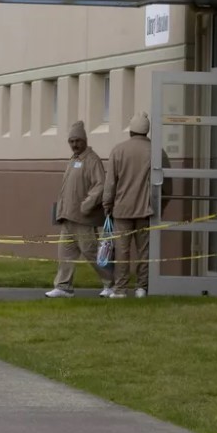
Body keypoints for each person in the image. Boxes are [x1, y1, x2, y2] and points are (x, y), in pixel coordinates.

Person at [45, 121, 113, 299]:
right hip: (68, 217)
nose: (74, 145)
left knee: (91, 252)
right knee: (65, 253)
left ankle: (111, 284)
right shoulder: (73, 160)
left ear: (84, 140)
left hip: (83, 219)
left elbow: (100, 185)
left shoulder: (91, 160)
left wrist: (87, 204)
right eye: (71, 141)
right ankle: (63, 286)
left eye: (77, 141)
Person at [105, 113, 154, 298]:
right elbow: (165, 182)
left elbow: (110, 183)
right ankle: (142, 287)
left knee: (122, 252)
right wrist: (159, 206)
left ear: (131, 130)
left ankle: (120, 288)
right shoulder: (155, 150)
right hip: (145, 210)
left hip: (122, 210)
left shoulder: (118, 150)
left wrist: (107, 204)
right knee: (144, 251)